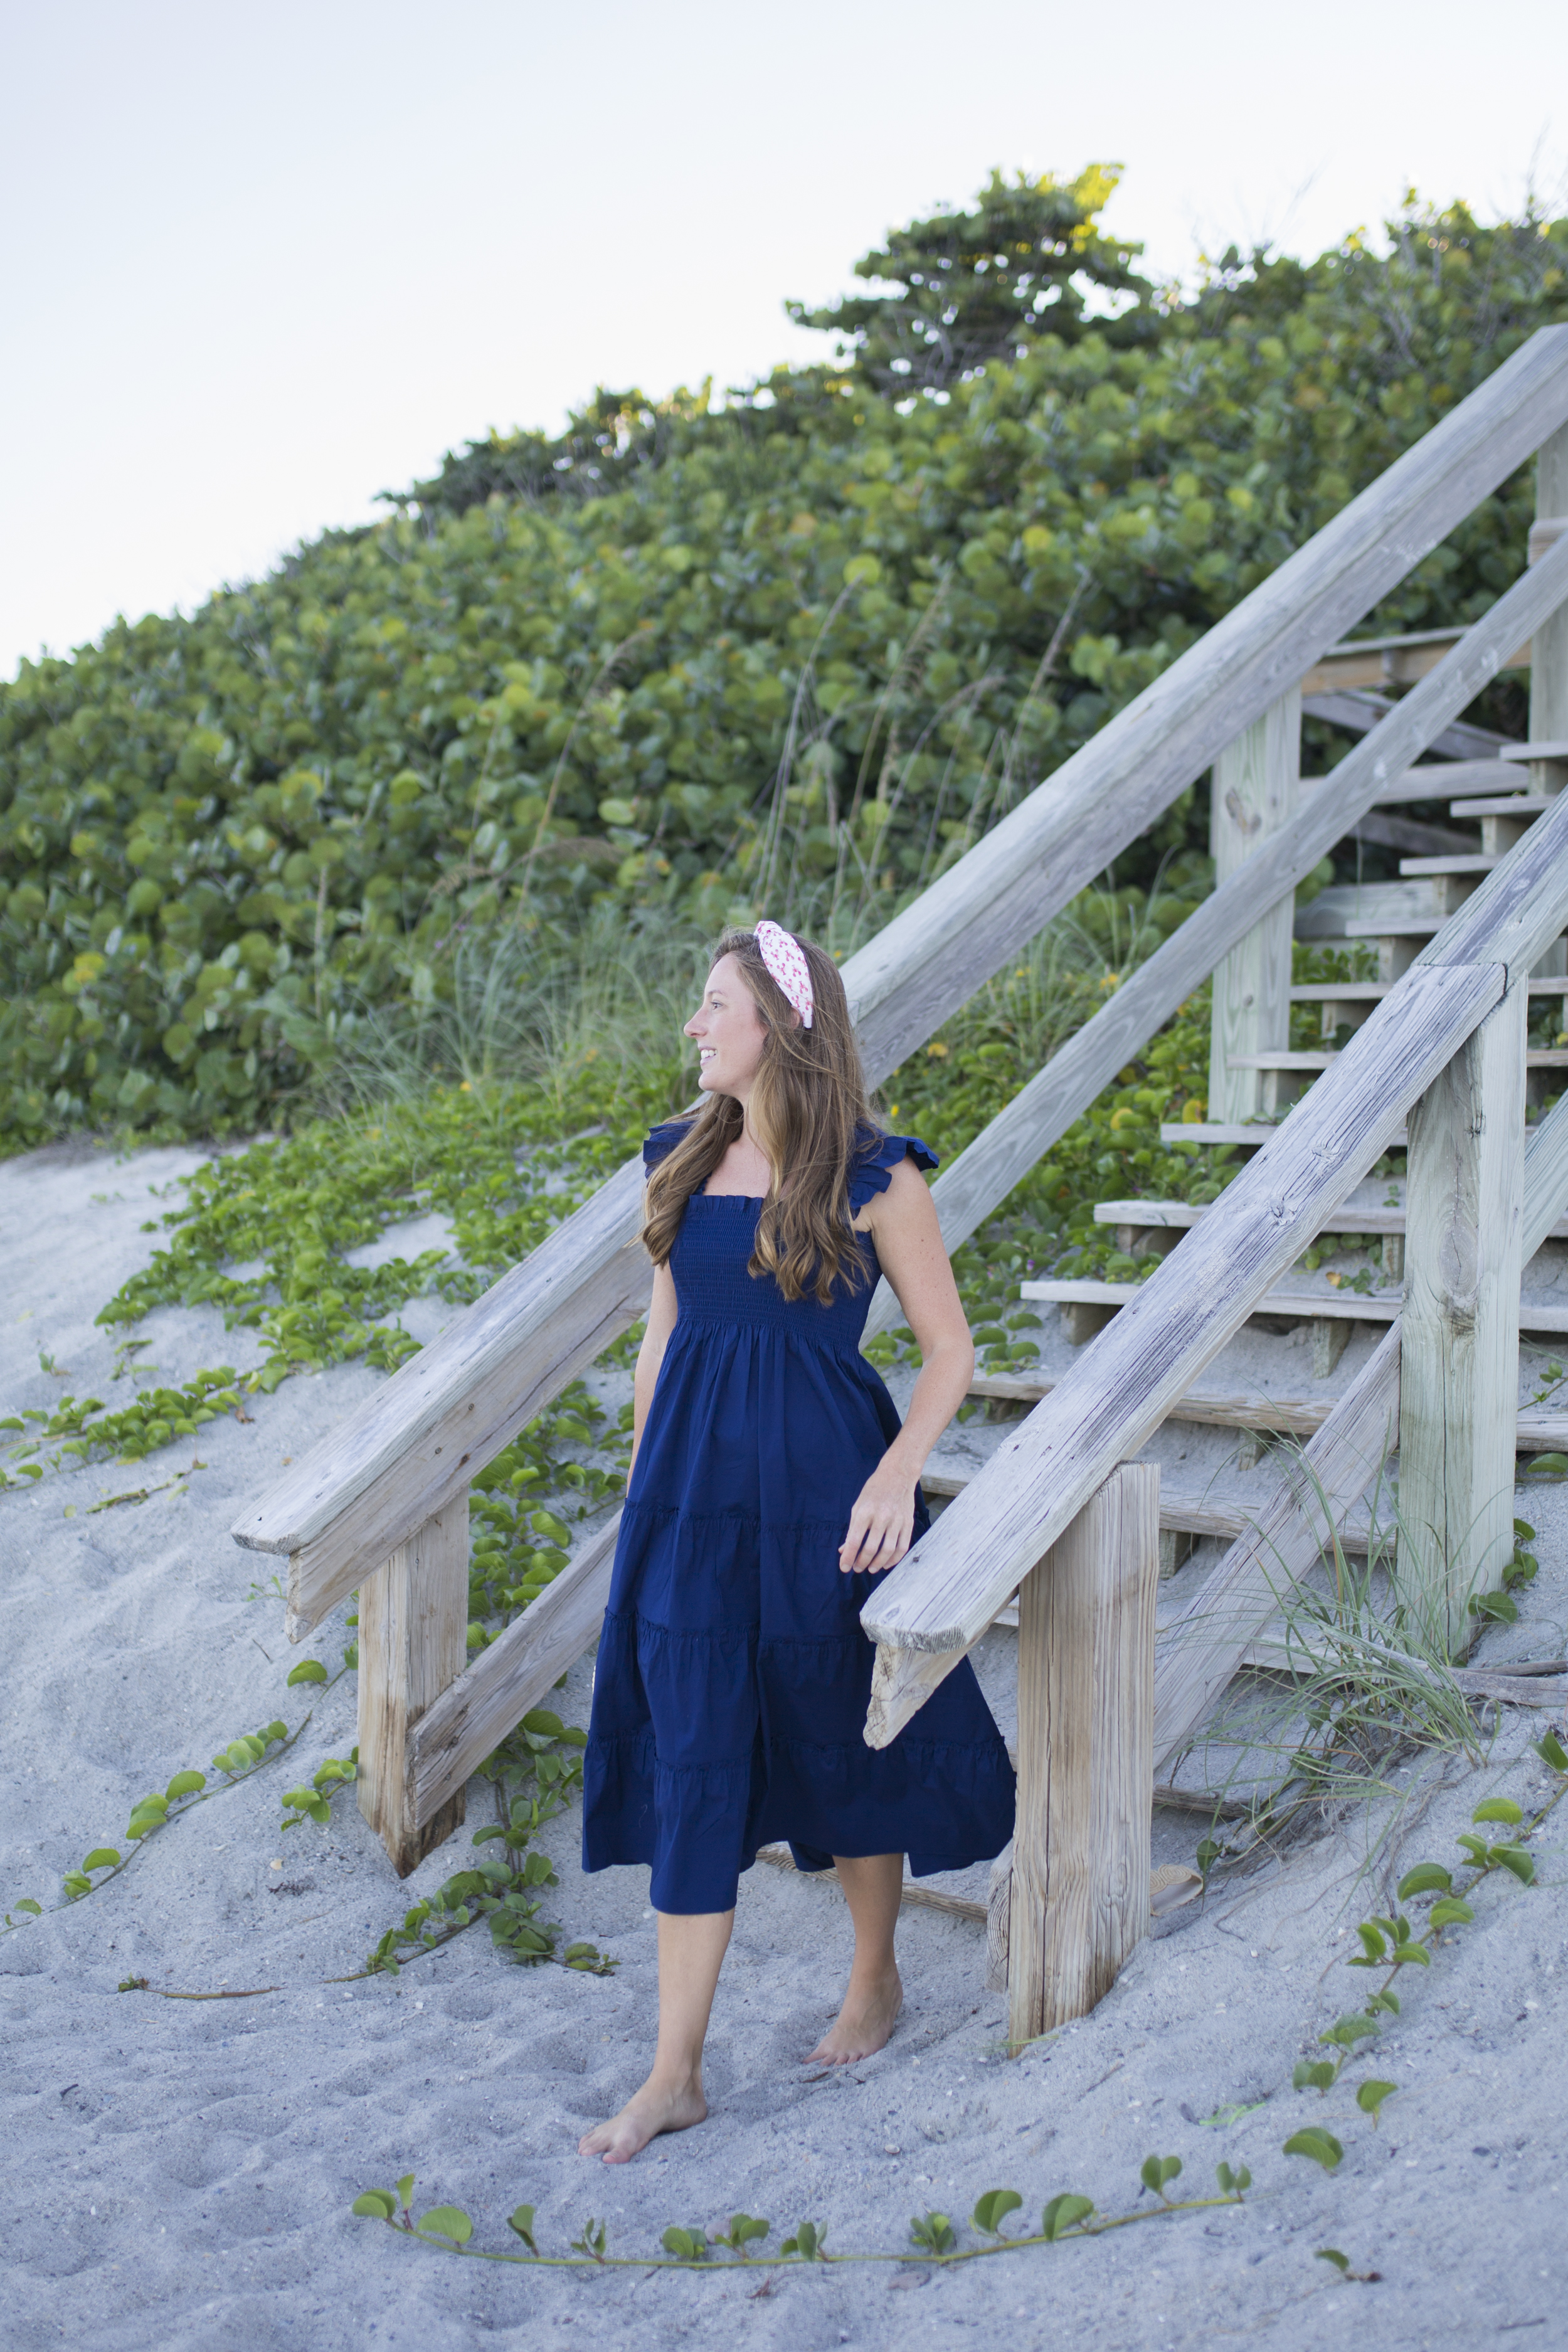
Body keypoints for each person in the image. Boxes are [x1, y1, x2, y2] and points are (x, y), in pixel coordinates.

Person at [579, 922, 1015, 2164]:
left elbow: (948, 1351)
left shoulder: (879, 1179)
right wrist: (641, 1486)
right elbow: (662, 1340)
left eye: (712, 1004)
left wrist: (894, 1476)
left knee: (843, 1734)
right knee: (694, 1761)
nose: (692, 1025)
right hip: (688, 1511)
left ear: (776, 1022)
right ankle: (674, 2073)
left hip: (829, 1495)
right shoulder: (674, 1158)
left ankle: (873, 1974)